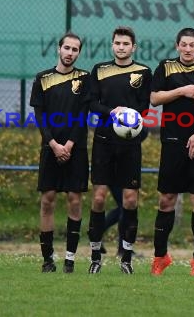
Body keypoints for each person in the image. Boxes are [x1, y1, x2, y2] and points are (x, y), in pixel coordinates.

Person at [150, 27, 194, 276]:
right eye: (184, 45)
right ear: (177, 46)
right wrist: (182, 91)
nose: (188, 49)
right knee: (166, 199)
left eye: (192, 45)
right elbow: (155, 99)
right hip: (171, 140)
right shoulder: (166, 66)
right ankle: (159, 258)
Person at [87, 26, 152, 274]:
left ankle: (126, 256)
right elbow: (92, 103)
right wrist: (111, 112)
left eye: (126, 43)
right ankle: (95, 256)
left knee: (130, 200)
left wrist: (130, 117)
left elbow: (145, 106)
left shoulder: (143, 72)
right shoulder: (100, 70)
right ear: (112, 45)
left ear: (133, 47)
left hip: (130, 144)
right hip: (104, 141)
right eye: (117, 43)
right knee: (99, 197)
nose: (121, 47)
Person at [29, 32, 90, 273]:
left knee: (75, 200)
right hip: (50, 148)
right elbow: (40, 116)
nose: (70, 53)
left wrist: (70, 145)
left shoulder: (85, 78)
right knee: (48, 200)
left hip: (76, 148)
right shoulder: (42, 78)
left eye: (75, 50)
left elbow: (83, 115)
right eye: (67, 48)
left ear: (78, 53)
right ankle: (47, 259)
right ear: (59, 49)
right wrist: (54, 144)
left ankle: (70, 259)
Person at [102, 128, 149, 257]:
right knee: (124, 207)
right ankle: (122, 248)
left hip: (127, 164)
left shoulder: (134, 117)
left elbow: (144, 131)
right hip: (114, 167)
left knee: (124, 207)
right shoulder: (110, 119)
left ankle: (98, 233)